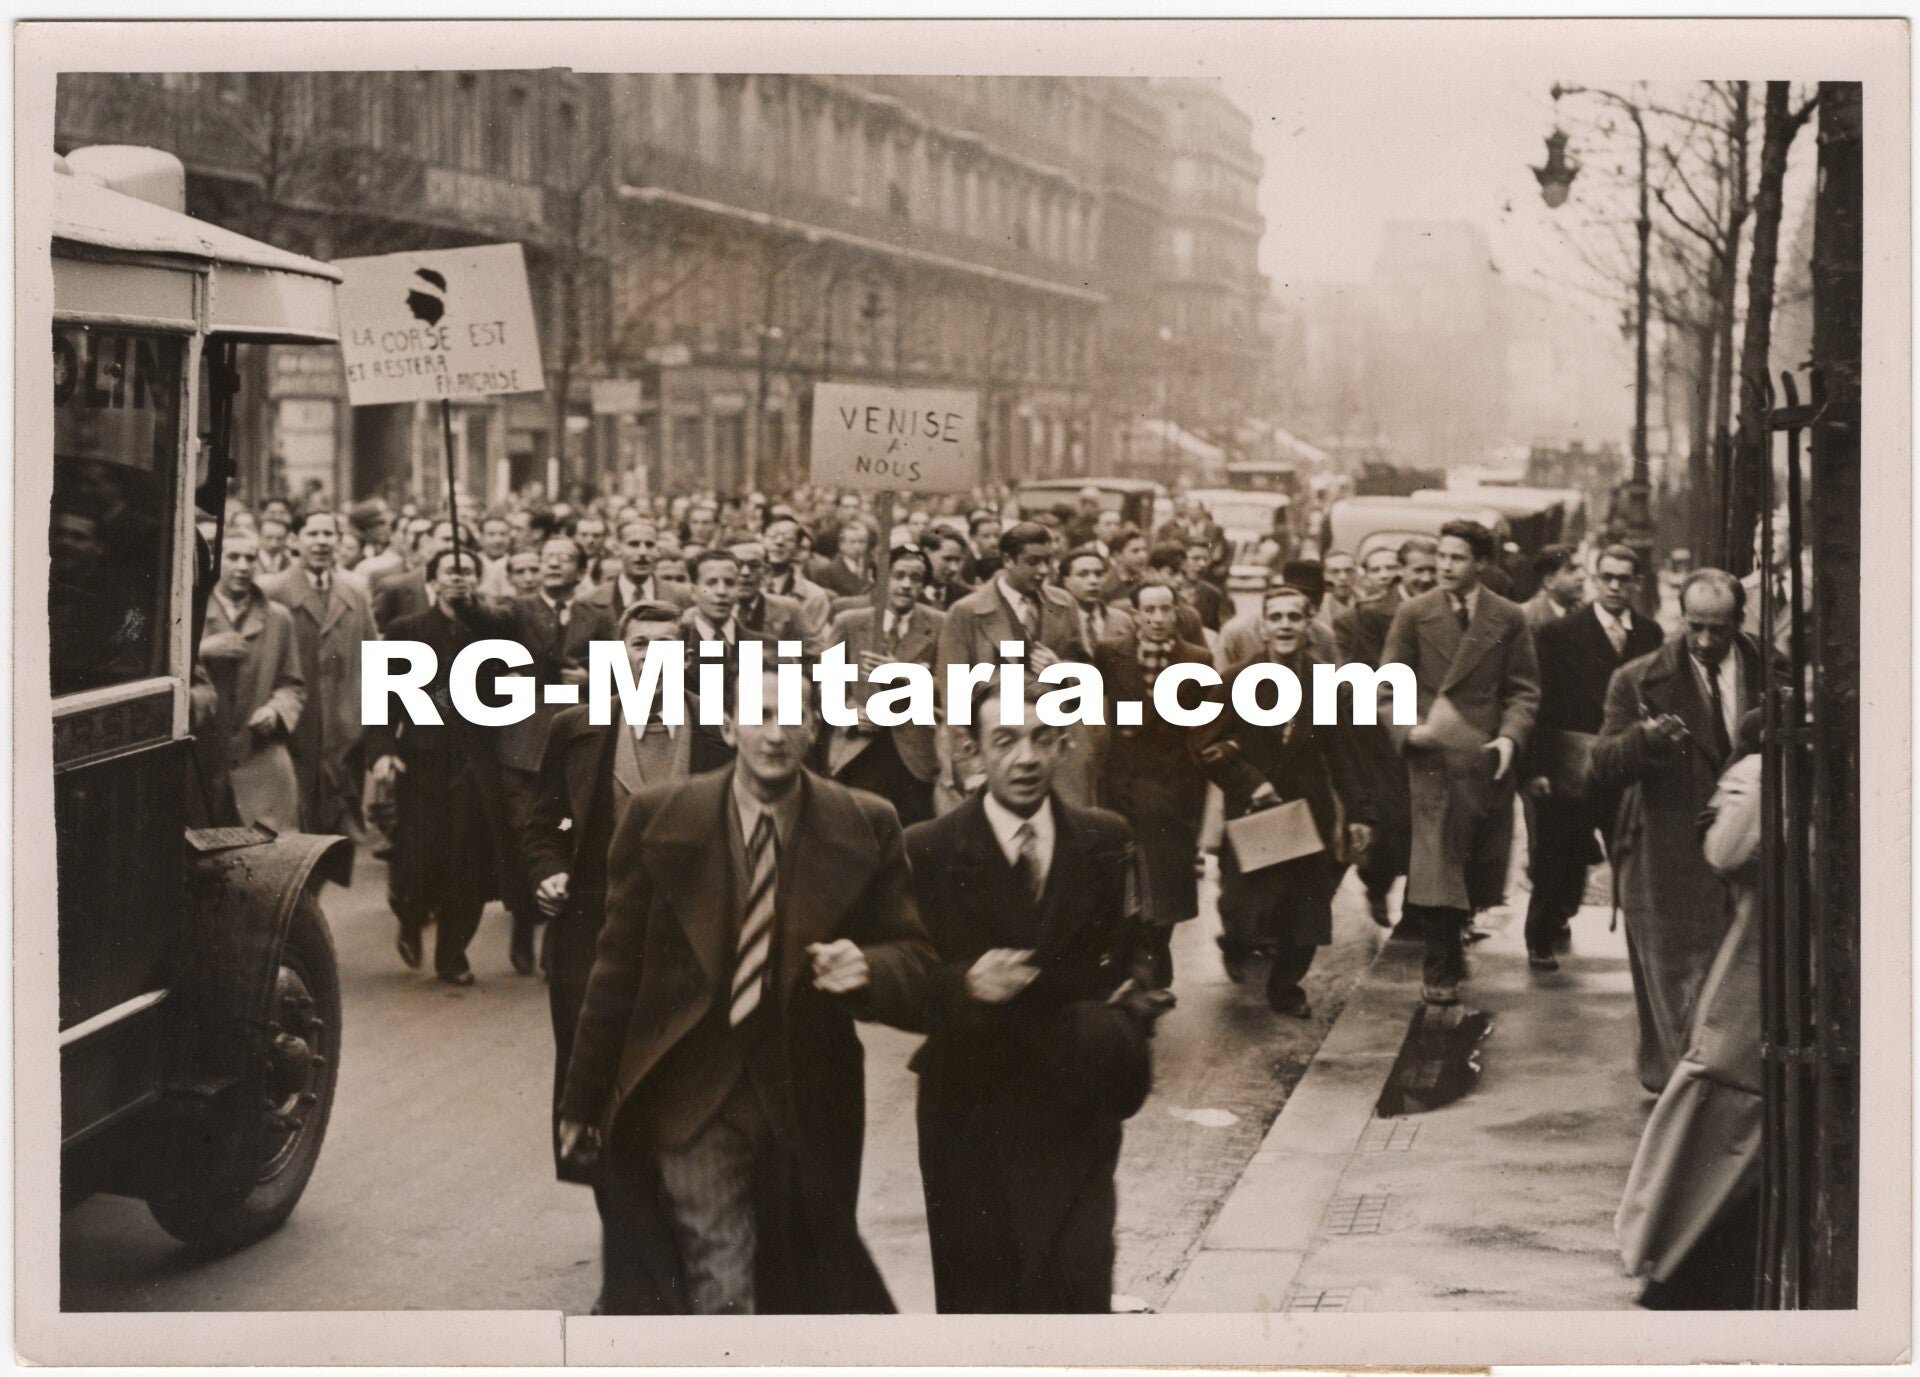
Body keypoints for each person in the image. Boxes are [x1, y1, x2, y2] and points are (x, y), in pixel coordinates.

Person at [557, 665, 936, 1315]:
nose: (775, 733)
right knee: (720, 1272)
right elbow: (616, 969)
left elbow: (918, 958)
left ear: (814, 728)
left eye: (792, 716)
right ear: (729, 727)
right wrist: (581, 1100)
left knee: (803, 1285)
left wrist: (870, 967)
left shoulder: (863, 823)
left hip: (807, 1099)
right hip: (693, 1093)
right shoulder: (662, 816)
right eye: (759, 715)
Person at [904, 678, 1166, 1313]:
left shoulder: (1106, 838)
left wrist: (1132, 1011)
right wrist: (963, 984)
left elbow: (1140, 945)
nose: (1026, 758)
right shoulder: (927, 849)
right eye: (1005, 741)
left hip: (1077, 1097)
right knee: (983, 1304)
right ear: (971, 750)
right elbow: (898, 977)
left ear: (1063, 745)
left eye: (1042, 740)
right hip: (971, 1109)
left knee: (1077, 1288)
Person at [522, 602, 714, 1259]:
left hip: (698, 940)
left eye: (666, 645)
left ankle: (683, 1235)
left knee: (689, 1085)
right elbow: (545, 820)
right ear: (619, 655)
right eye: (639, 644)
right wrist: (549, 870)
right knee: (600, 1086)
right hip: (596, 935)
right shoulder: (577, 729)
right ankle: (627, 1250)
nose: (651, 656)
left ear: (687, 657)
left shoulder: (723, 729)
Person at [1589, 569, 1761, 1091]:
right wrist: (1644, 741)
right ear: (1681, 619)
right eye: (1694, 627)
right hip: (1667, 858)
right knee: (1675, 987)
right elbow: (1602, 763)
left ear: (1739, 621)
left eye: (1717, 629)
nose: (1704, 641)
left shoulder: (1770, 672)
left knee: (1741, 989)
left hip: (1748, 855)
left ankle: (1722, 1097)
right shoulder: (1637, 679)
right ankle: (1678, 1097)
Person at [1616, 710, 1765, 1310]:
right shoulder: (1760, 765)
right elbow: (1727, 851)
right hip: (1744, 966)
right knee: (1721, 1122)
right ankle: (1681, 1270)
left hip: (1768, 972)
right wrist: (1755, 777)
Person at [1379, 519, 1539, 1007]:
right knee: (1437, 865)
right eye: (1441, 556)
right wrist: (1408, 729)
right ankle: (1440, 967)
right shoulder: (1414, 613)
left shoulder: (1508, 616)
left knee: (1474, 864)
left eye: (1457, 558)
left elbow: (1523, 689)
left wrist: (1510, 737)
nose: (1444, 567)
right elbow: (1387, 685)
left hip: (1484, 758)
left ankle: (1455, 941)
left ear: (1482, 563)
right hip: (1432, 754)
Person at [1197, 584, 1374, 1014]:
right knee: (1244, 909)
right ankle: (1236, 943)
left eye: (1294, 617)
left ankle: (1286, 988)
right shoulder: (1236, 680)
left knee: (1306, 911)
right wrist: (1250, 783)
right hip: (1253, 810)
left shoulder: (1324, 682)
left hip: (1307, 811)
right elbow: (1205, 747)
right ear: (1262, 626)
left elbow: (1342, 753)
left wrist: (1357, 813)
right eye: (1275, 617)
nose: (1284, 626)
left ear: (1308, 623)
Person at [367, 548, 516, 986]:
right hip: (422, 764)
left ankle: (453, 954)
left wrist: (475, 613)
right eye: (450, 572)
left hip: (476, 766)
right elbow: (380, 698)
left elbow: (513, 641)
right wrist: (381, 750)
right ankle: (410, 916)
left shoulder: (490, 630)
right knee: (418, 859)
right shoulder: (405, 631)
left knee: (469, 863)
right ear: (432, 582)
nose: (459, 579)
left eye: (467, 572)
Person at [1521, 544, 1664, 969]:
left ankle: (1646, 944)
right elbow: (1539, 705)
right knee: (1556, 853)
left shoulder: (1649, 635)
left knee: (1632, 853)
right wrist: (1535, 768)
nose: (1615, 586)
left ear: (1636, 583)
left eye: (1624, 579)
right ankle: (1541, 936)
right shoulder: (1559, 634)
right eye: (1607, 577)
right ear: (1596, 580)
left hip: (1624, 761)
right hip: (1570, 761)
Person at [1093, 576, 1211, 989]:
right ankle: (1129, 968)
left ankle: (1155, 964)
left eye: (1165, 609)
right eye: (1149, 610)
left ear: (1177, 613)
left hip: (1173, 785)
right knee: (1125, 878)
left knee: (1167, 881)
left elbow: (1203, 723)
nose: (1158, 618)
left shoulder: (1197, 659)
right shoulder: (1110, 653)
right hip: (1122, 783)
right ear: (1135, 614)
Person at [497, 536, 607, 976]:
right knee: (528, 832)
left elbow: (622, 671)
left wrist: (590, 677)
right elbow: (487, 627)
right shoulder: (516, 611)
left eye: (566, 559)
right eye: (548, 558)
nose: (555, 565)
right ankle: (524, 922)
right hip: (524, 745)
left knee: (568, 832)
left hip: (575, 741)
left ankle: (554, 934)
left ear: (581, 571)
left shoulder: (597, 616)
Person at [936, 523, 1092, 809]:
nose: (1043, 570)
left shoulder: (1064, 604)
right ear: (1007, 560)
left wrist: (1062, 671)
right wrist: (969, 768)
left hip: (1053, 752)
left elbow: (1087, 675)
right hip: (997, 751)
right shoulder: (966, 613)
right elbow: (954, 697)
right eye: (1033, 561)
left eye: (1048, 560)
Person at [260, 510, 377, 836]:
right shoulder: (273, 591)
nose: (321, 542)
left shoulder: (354, 592)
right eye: (313, 534)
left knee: (339, 832)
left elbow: (374, 659)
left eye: (329, 534)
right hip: (292, 728)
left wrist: (370, 726)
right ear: (294, 540)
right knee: (294, 829)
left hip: (345, 731)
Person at [819, 547, 945, 828]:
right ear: (880, 579)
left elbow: (953, 689)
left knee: (911, 834)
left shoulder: (939, 624)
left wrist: (906, 673)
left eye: (916, 578)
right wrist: (848, 712)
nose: (907, 585)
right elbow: (825, 684)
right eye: (898, 575)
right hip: (859, 749)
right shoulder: (850, 622)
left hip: (914, 756)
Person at [194, 531, 306, 833]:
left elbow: (292, 684)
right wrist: (201, 650)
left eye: (250, 558)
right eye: (233, 557)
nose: (243, 566)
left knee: (269, 845)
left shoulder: (278, 618)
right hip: (203, 756)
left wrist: (276, 710)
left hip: (258, 755)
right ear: (215, 562)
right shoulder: (192, 612)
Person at [762, 515, 832, 634]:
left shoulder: (814, 596)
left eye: (788, 539)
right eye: (772, 536)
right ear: (762, 540)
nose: (779, 542)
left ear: (798, 548)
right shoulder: (742, 587)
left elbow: (813, 641)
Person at [1522, 543, 1585, 632]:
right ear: (1549, 582)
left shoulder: (1584, 614)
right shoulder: (1527, 618)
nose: (1582, 576)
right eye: (1571, 569)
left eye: (1582, 569)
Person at [813, 518, 875, 599]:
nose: (857, 546)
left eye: (862, 542)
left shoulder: (873, 566)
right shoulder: (827, 571)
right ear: (842, 544)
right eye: (853, 542)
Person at [921, 527, 975, 611]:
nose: (954, 568)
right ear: (926, 554)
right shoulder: (907, 595)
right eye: (947, 559)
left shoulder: (967, 598)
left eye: (958, 561)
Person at [1317, 550, 1356, 630]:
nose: (1343, 577)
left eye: (1348, 570)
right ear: (1325, 576)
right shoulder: (1317, 609)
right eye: (1335, 571)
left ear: (1356, 573)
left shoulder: (1367, 604)